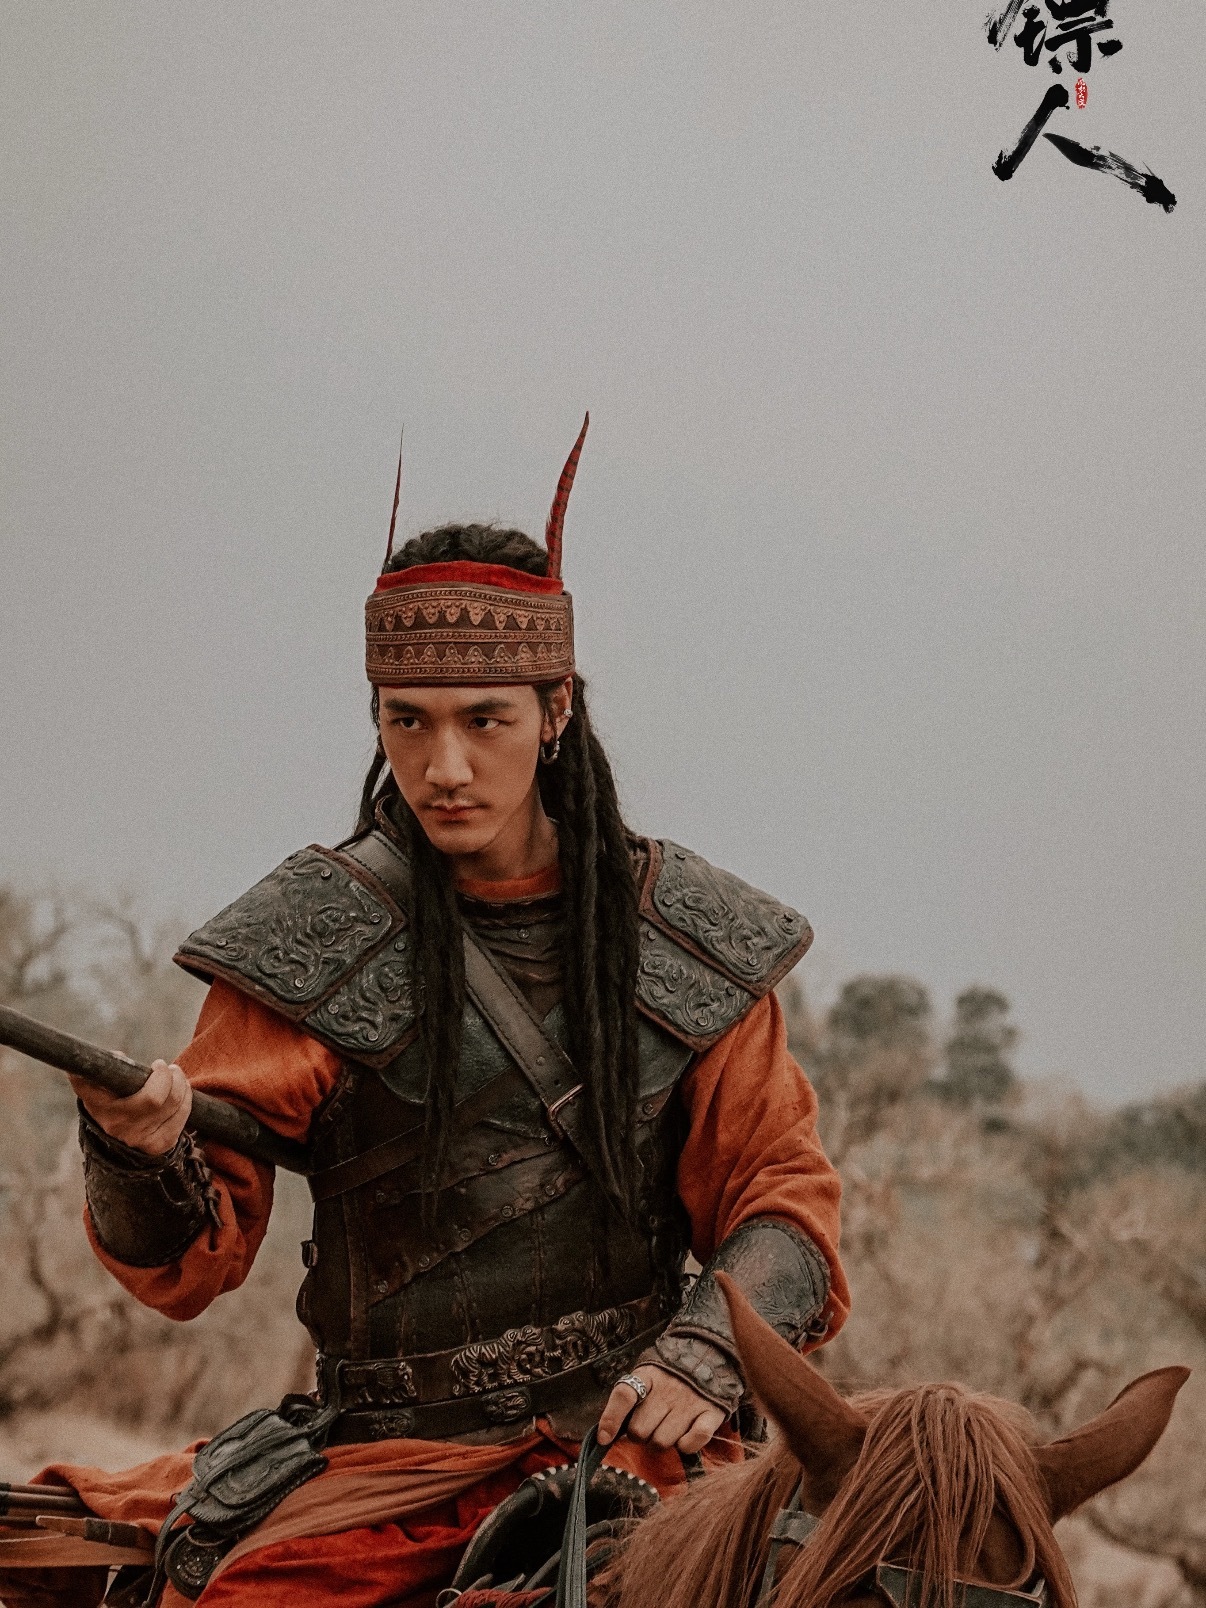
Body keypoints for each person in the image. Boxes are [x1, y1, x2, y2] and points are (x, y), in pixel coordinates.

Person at [14, 421, 850, 1608]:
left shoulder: (687, 935)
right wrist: (139, 1152)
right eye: (407, 719)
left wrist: (707, 1350)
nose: (444, 765)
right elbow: (189, 1267)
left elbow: (783, 1200)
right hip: (392, 1471)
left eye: (483, 720)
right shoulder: (313, 935)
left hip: (645, 1448)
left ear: (556, 710)